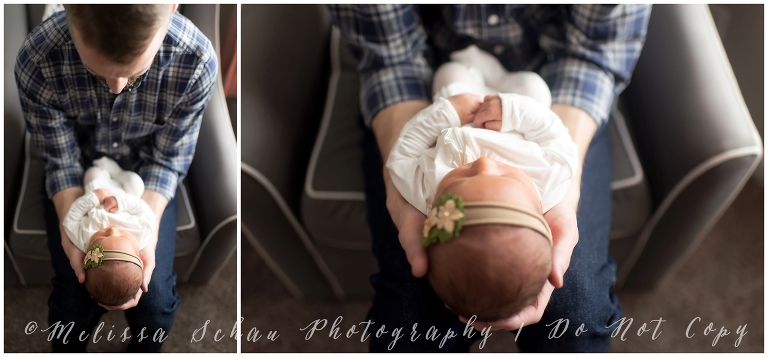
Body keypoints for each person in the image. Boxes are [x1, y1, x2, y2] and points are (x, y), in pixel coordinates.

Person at [327, 4, 652, 352]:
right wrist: (516, 112)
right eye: (502, 179)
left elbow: (405, 151)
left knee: (575, 316)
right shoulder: (547, 180)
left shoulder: (425, 188)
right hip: (499, 97)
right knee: (412, 319)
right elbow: (555, 139)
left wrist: (445, 113)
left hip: (491, 96)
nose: (483, 165)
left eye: (464, 178)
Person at [15, 4, 217, 352]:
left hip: (145, 179)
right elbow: (60, 161)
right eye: (98, 71)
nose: (116, 87)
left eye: (134, 73)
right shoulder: (38, 59)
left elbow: (167, 159)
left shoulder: (194, 62)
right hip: (76, 174)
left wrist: (146, 233)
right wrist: (71, 229)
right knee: (72, 305)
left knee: (154, 305)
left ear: (171, 8)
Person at [63, 157, 155, 307]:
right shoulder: (142, 235)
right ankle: (117, 172)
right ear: (137, 254)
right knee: (136, 182)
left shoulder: (83, 240)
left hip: (99, 192)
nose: (112, 230)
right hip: (126, 194)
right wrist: (122, 202)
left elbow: (70, 219)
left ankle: (106, 171)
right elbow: (145, 211)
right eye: (123, 236)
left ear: (88, 254)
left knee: (92, 173)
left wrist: (93, 199)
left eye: (103, 235)